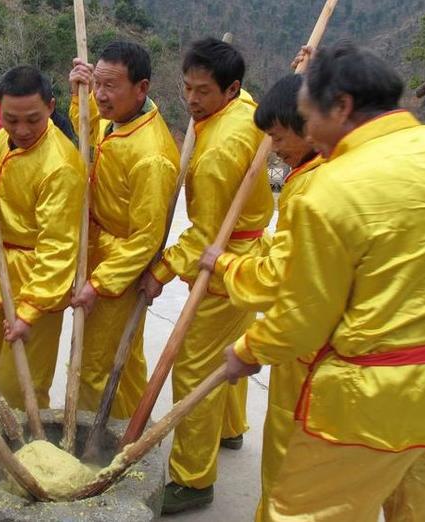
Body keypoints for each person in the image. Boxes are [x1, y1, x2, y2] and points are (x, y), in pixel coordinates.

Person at [224, 41, 425, 522]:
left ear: (343, 107)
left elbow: (302, 316)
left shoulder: (330, 188)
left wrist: (248, 350)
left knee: (301, 513)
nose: (306, 130)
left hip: (369, 397)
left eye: (309, 114)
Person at [138, 38, 273, 512]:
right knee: (229, 345)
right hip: (251, 252)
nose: (192, 101)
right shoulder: (246, 108)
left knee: (194, 367)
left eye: (204, 92)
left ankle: (193, 480)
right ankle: (231, 431)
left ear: (231, 88)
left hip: (228, 260)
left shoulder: (220, 150)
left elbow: (203, 234)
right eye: (188, 88)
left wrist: (161, 269)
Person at [199, 73, 322, 521]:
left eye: (278, 137)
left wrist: (225, 263)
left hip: (317, 358)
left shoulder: (314, 186)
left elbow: (281, 282)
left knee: (290, 466)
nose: (273, 147)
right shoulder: (313, 174)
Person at [68, 41, 179, 420]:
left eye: (110, 86)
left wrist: (98, 283)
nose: (100, 95)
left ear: (141, 88)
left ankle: (88, 441)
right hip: (99, 247)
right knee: (125, 357)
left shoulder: (152, 156)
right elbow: (90, 130)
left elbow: (147, 238)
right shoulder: (116, 119)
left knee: (93, 364)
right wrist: (78, 93)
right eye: (97, 83)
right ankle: (130, 425)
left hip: (120, 268)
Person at [0, 65, 86, 409]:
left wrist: (29, 311)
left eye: (33, 119)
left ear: (50, 107)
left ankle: (31, 452)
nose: (21, 130)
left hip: (36, 284)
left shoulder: (60, 165)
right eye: (11, 119)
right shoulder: (5, 138)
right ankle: (1, 439)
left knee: (22, 384)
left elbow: (58, 248)